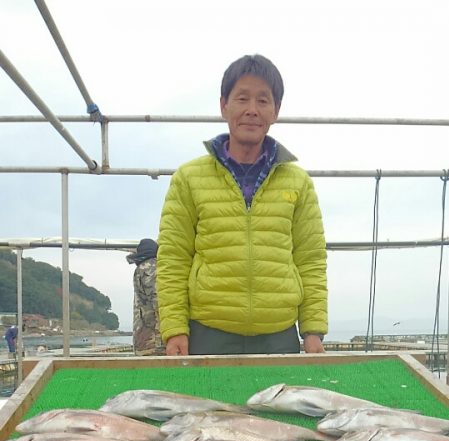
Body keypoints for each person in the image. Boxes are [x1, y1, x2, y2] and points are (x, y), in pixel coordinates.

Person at [156, 53, 327, 357]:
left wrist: (313, 331)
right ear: (224, 105)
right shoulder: (188, 178)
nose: (252, 110)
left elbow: (310, 260)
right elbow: (173, 259)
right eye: (242, 98)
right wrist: (175, 329)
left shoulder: (299, 183)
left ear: (276, 111)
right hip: (208, 332)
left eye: (263, 101)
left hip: (279, 335)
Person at [126, 238, 165, 356]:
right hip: (155, 340)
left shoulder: (140, 269)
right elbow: (159, 303)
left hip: (143, 337)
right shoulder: (150, 267)